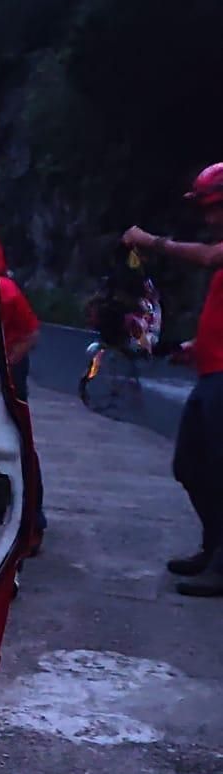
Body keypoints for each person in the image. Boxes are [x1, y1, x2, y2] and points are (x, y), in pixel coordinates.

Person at [124, 161, 223, 597]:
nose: (209, 218)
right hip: (212, 372)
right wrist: (193, 348)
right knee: (190, 465)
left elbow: (209, 256)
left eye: (213, 208)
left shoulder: (218, 252)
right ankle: (214, 547)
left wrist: (150, 242)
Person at [0, 233, 47, 550]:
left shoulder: (3, 289)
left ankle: (32, 522)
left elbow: (30, 334)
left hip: (6, 370)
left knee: (18, 441)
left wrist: (6, 365)